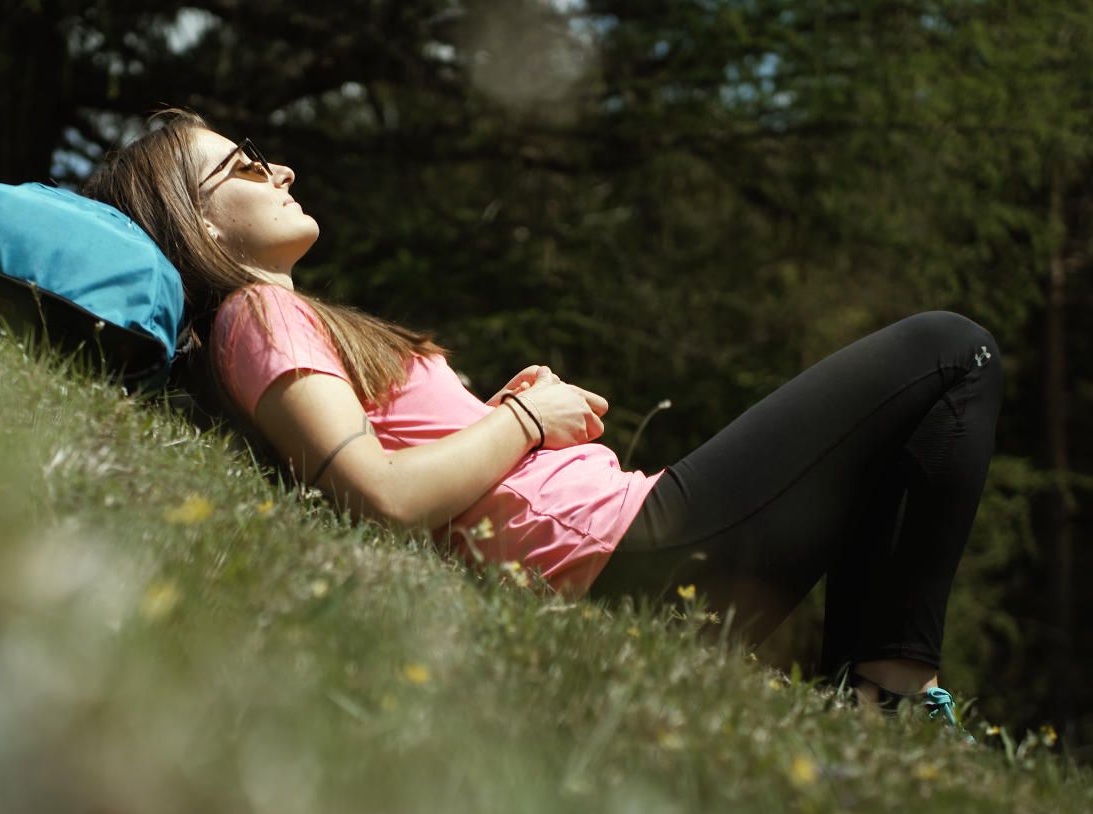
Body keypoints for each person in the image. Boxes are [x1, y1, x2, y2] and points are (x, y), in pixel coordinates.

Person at [82, 109, 1002, 726]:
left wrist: (495, 415)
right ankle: (890, 693)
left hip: (613, 548)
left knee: (910, 420)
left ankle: (880, 704)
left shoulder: (284, 322)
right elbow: (382, 497)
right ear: (195, 221)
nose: (278, 165)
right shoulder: (258, 316)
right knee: (951, 350)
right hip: (620, 553)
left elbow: (415, 469)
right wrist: (523, 419)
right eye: (243, 165)